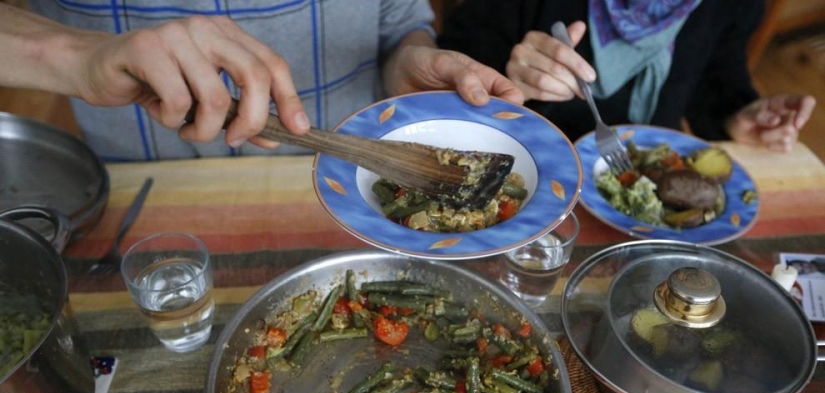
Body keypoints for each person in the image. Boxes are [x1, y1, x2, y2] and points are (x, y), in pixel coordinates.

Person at [0, 1, 523, 161]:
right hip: (141, 189)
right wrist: (75, 53)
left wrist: (408, 59)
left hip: (354, 175)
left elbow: (398, 20)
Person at [438, 0, 816, 152]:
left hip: (640, 193)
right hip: (524, 163)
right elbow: (454, 55)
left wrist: (737, 115)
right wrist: (505, 79)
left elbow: (715, 75)